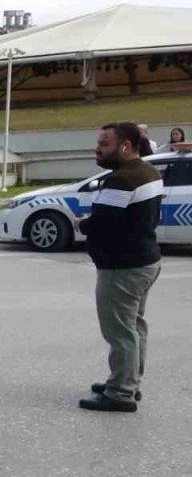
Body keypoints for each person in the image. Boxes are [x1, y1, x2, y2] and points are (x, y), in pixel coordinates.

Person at [77, 122, 164, 413]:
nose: (97, 149)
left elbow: (103, 223)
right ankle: (128, 380)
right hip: (145, 261)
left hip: (123, 268)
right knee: (134, 326)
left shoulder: (123, 180)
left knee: (120, 331)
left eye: (103, 144)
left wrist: (83, 223)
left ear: (125, 146)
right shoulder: (148, 171)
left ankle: (121, 393)